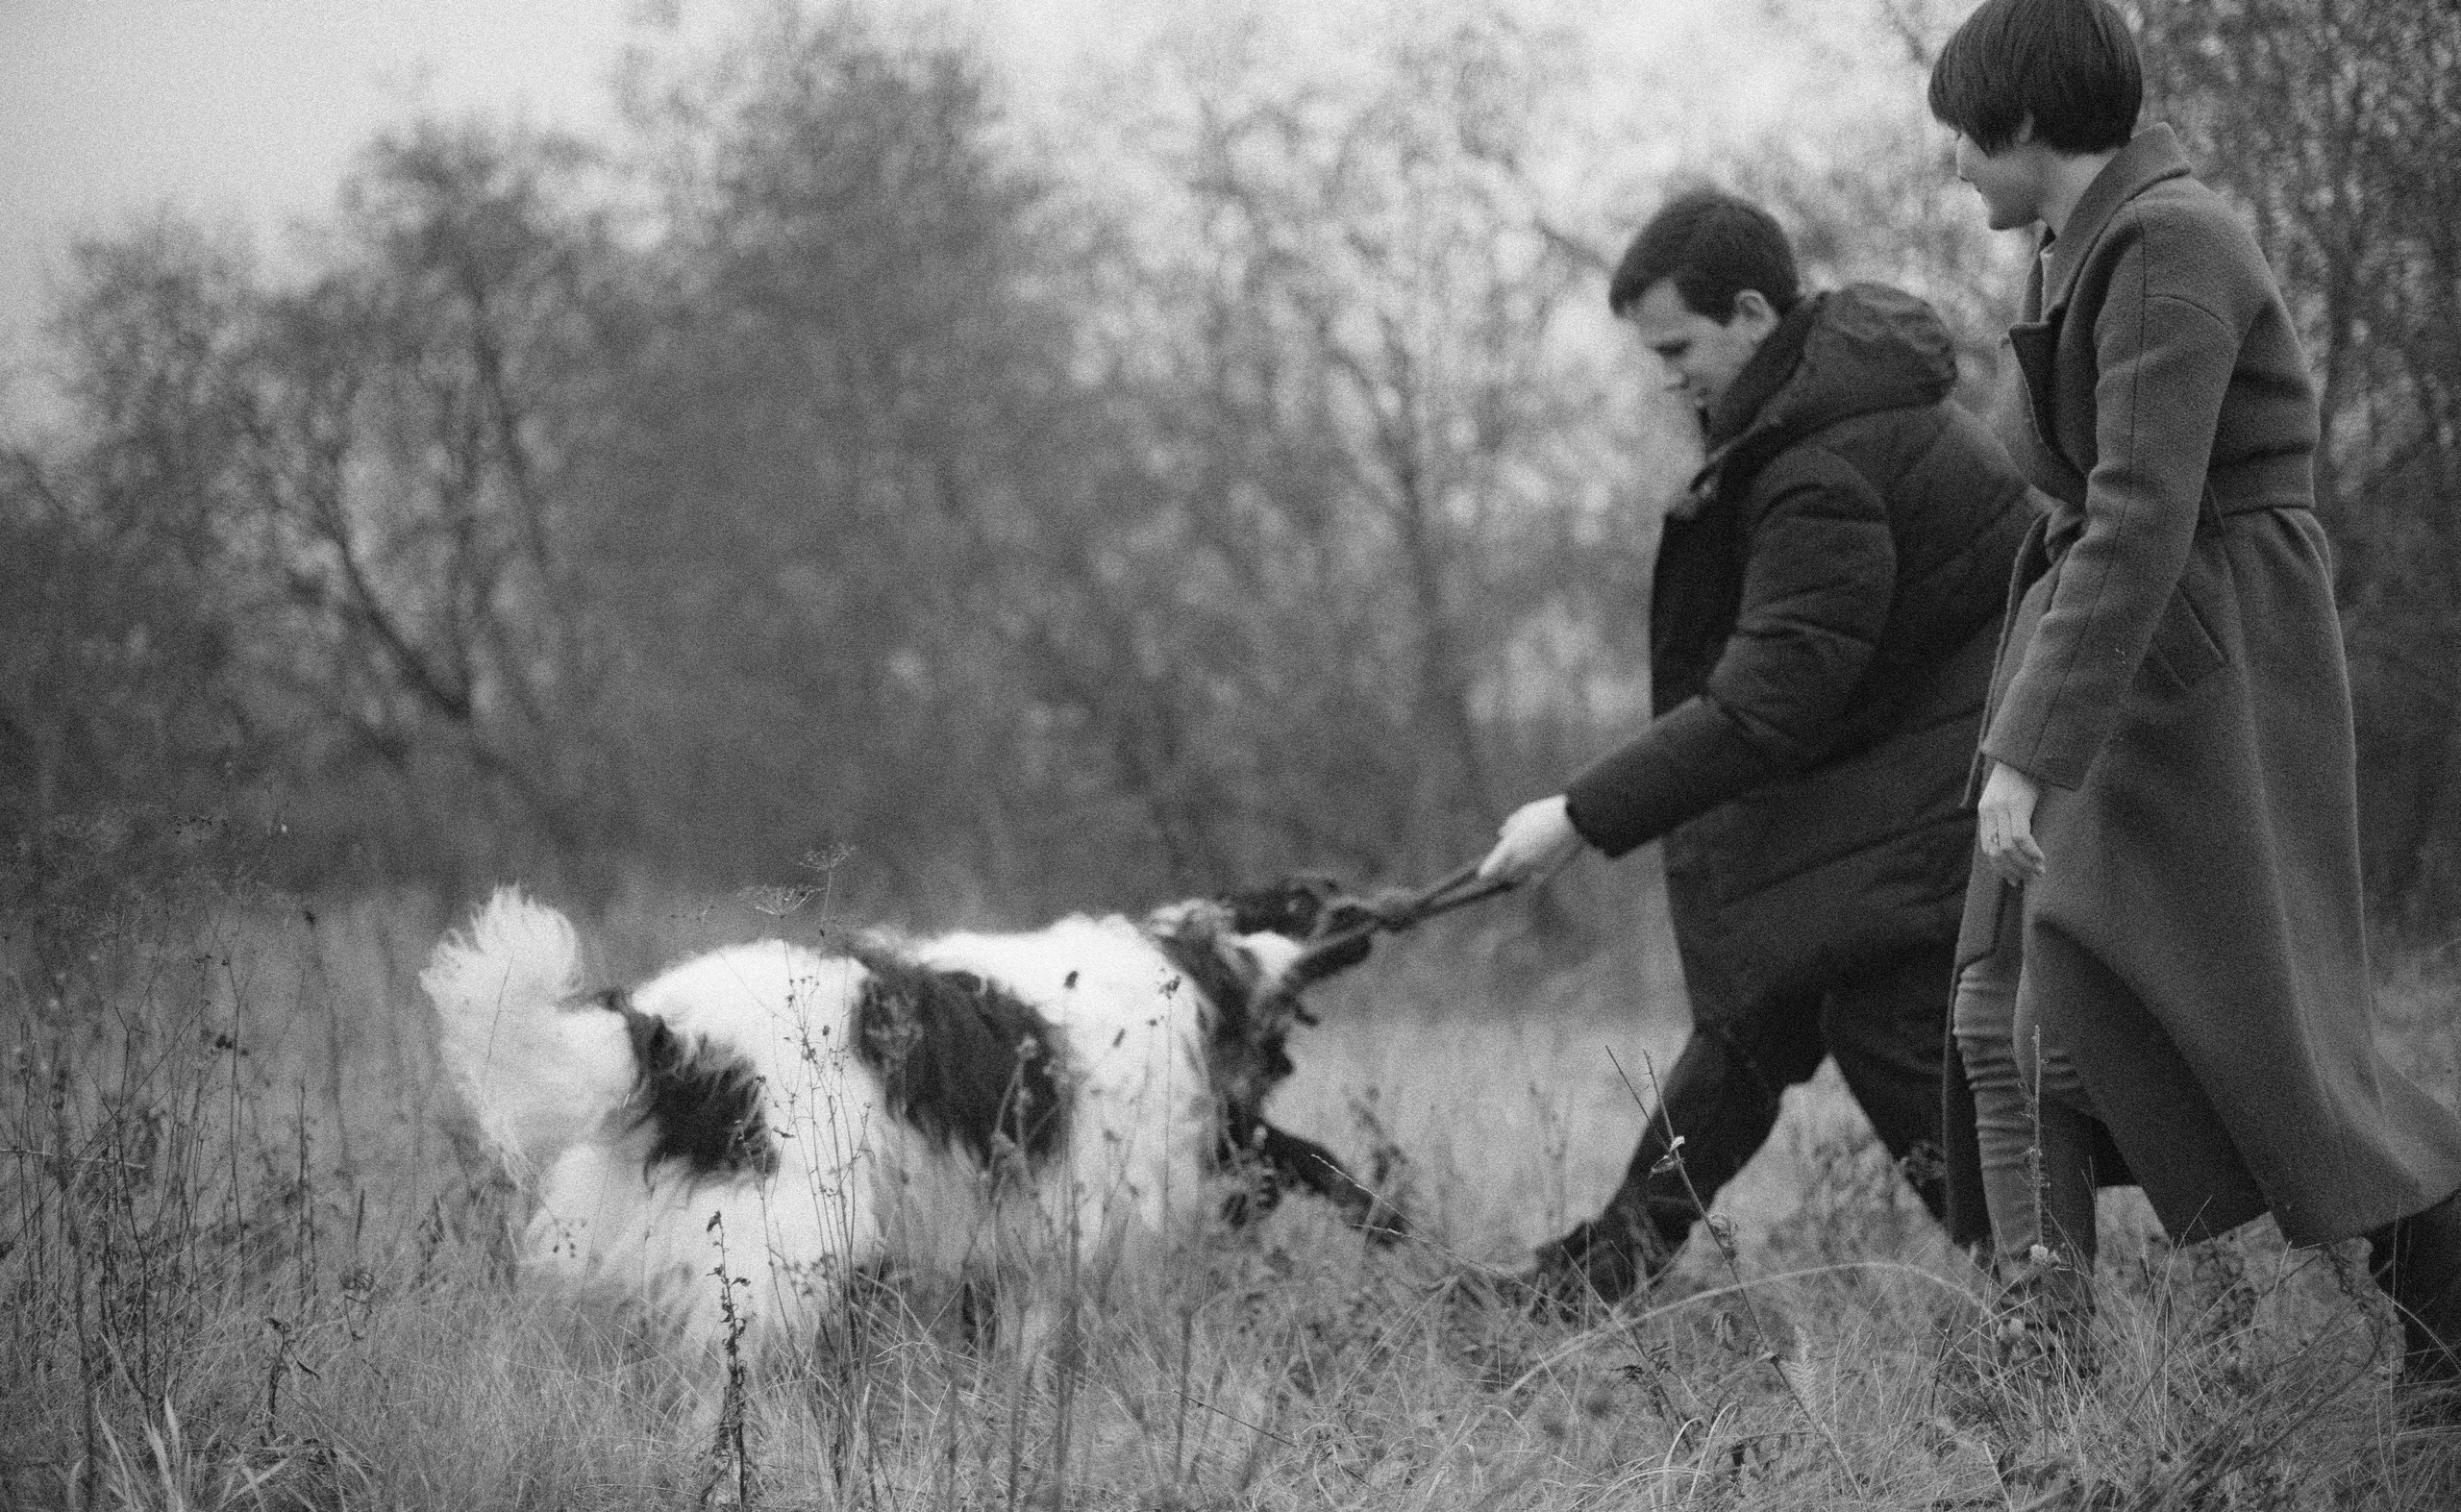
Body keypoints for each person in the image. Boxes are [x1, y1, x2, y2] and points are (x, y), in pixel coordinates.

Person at [1927, 0, 2461, 1387]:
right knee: (2002, 1007)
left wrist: (2025, 754)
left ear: (2026, 120)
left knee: (2273, 1048)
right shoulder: (2083, 242)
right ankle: (2043, 1376)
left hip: (2205, 655)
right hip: (2132, 642)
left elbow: (2144, 512)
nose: (1953, 166)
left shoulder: (2168, 238)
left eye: (1960, 135)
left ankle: (2446, 1329)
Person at [1477, 189, 2034, 1306]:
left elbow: (1767, 699)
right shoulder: (1822, 416)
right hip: (1899, 774)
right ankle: (1599, 1276)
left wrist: (1578, 817)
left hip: (1940, 787)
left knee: (1888, 1034)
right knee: (1750, 1022)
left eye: (1677, 347)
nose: (1667, 375)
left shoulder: (1819, 462)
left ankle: (2041, 1311)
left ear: (1746, 312)